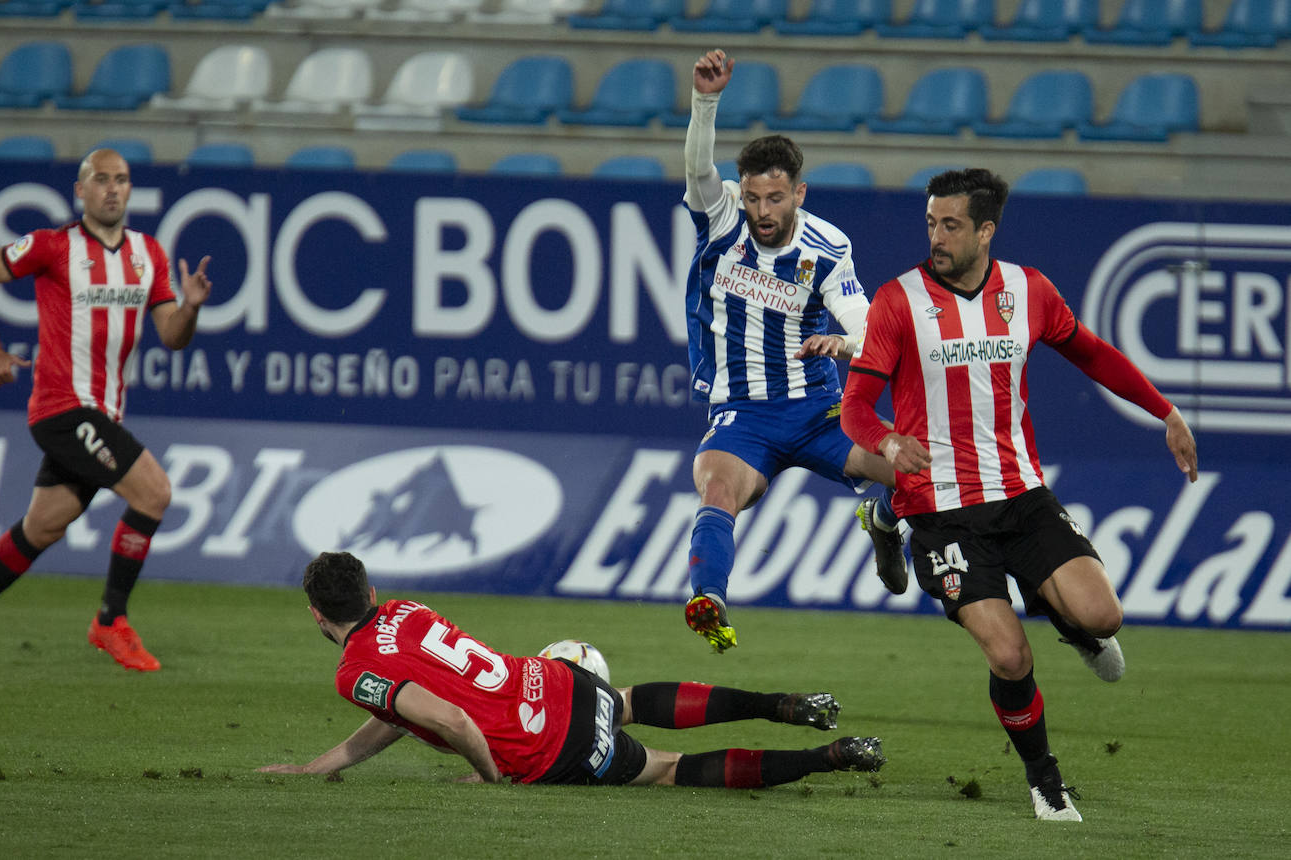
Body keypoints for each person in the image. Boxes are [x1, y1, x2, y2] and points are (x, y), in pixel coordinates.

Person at [840, 168, 1199, 822]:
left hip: (1021, 496)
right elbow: (855, 406)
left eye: (951, 225)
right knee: (1008, 654)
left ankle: (1068, 619)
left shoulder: (1027, 290)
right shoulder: (898, 302)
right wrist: (888, 444)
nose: (937, 236)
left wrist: (1165, 411)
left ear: (985, 230)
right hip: (942, 513)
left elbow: (1091, 353)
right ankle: (1045, 778)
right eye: (930, 223)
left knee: (1103, 617)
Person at [258, 551, 887, 788]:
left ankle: (828, 758)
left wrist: (490, 774)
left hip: (548, 744)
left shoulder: (354, 670)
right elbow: (398, 714)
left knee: (668, 769)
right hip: (558, 682)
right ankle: (784, 704)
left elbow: (445, 716)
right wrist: (321, 766)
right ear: (371, 592)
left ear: (317, 616)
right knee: (629, 700)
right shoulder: (403, 608)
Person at [0, 148, 213, 672]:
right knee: (154, 492)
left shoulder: (147, 253)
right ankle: (111, 621)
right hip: (63, 407)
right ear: (80, 191)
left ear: (131, 190)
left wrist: (191, 308)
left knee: (44, 526)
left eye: (121, 180)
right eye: (100, 179)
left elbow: (172, 336)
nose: (111, 188)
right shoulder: (52, 246)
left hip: (103, 413)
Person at [679, 49, 905, 654]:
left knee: (916, 474)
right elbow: (699, 170)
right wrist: (706, 102)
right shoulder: (721, 218)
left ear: (797, 192)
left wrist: (848, 340)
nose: (762, 213)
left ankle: (884, 522)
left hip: (819, 411)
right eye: (754, 198)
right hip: (743, 414)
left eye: (775, 199)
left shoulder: (827, 246)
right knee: (717, 486)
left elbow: (866, 322)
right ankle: (710, 599)